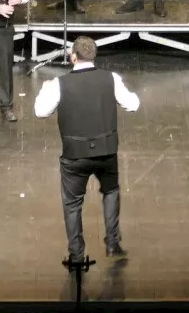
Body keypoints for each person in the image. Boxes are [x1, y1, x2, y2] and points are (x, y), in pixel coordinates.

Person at [33, 36, 140, 263]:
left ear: (73, 57)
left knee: (72, 204)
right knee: (111, 192)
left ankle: (77, 255)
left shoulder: (59, 84)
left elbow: (40, 112)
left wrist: (44, 90)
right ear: (93, 56)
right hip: (106, 151)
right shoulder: (110, 78)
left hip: (74, 155)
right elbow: (133, 105)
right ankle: (112, 244)